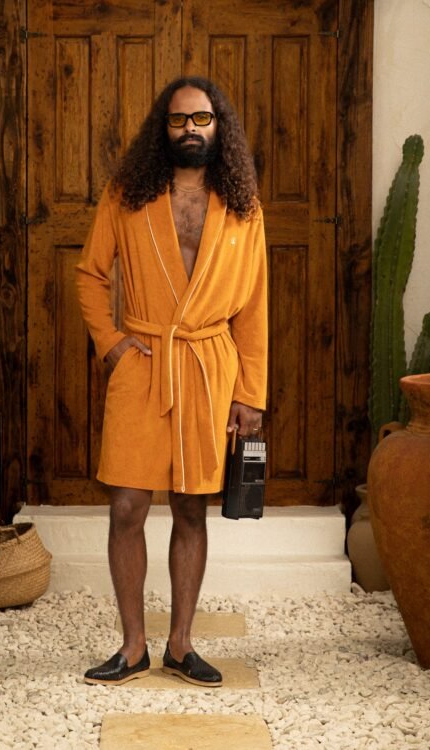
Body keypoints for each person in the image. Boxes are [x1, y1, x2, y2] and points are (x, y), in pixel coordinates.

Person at [75, 76, 267, 687]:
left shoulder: (242, 206)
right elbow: (89, 275)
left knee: (190, 508)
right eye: (180, 120)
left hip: (210, 364)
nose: (191, 129)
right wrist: (111, 346)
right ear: (164, 129)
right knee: (127, 506)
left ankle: (180, 645)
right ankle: (132, 646)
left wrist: (250, 396)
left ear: (219, 126)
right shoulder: (128, 194)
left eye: (202, 119)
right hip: (143, 363)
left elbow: (255, 305)